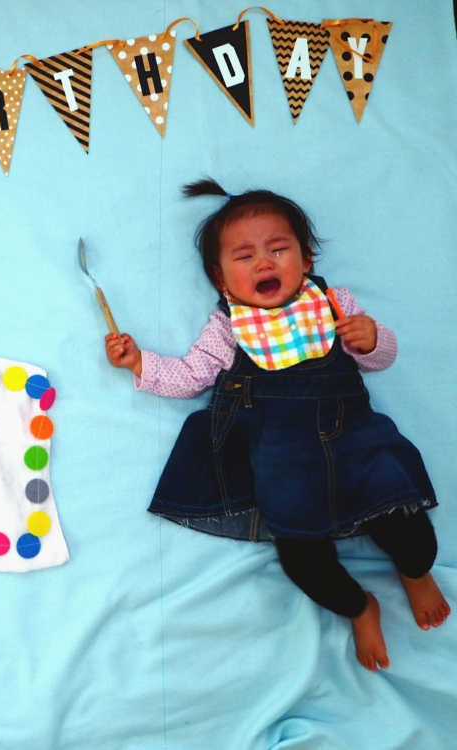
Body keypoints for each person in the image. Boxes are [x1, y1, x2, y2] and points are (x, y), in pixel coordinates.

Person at [105, 178, 450, 672]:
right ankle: (359, 607)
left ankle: (416, 573)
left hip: (357, 447)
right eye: (244, 257)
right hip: (283, 468)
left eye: (278, 249)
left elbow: (379, 360)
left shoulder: (334, 304)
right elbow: (192, 376)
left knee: (407, 524)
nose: (264, 263)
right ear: (222, 279)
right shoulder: (228, 327)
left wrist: (372, 339)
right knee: (302, 561)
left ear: (306, 259)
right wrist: (140, 362)